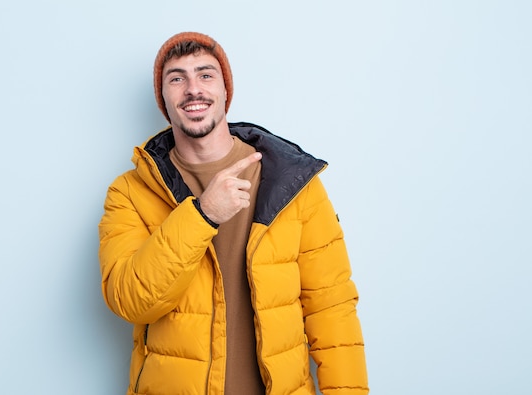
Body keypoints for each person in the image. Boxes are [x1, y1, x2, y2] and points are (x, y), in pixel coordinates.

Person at [98, 31, 369, 395]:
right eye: (177, 78)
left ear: (226, 90)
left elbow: (332, 308)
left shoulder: (292, 183)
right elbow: (130, 300)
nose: (193, 89)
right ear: (163, 98)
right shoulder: (130, 192)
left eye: (206, 74)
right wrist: (204, 214)